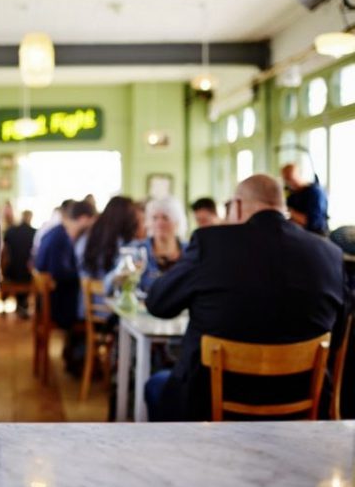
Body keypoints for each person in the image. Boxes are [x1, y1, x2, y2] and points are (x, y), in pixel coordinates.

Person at [144, 174, 345, 421]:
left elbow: (158, 304)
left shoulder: (211, 244)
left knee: (155, 384)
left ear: (237, 206)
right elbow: (337, 336)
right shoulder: (329, 253)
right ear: (282, 206)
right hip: (301, 404)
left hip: (209, 404)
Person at [34, 200, 95, 331]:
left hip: (50, 302)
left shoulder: (55, 232)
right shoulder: (60, 238)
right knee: (91, 306)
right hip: (59, 308)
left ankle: (73, 348)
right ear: (84, 219)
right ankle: (80, 347)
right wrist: (82, 274)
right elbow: (59, 273)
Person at [126, 196, 188, 293]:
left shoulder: (190, 250)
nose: (159, 223)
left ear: (177, 222)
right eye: (154, 218)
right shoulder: (137, 249)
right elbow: (111, 284)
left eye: (165, 218)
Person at [3, 210, 36, 318]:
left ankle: (21, 305)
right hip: (27, 273)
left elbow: (4, 252)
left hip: (11, 271)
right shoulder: (34, 232)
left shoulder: (11, 231)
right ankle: (22, 305)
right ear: (30, 218)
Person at [280, 163, 329, 235]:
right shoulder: (292, 193)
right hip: (299, 234)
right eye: (286, 179)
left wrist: (290, 213)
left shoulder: (315, 192)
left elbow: (313, 222)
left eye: (291, 178)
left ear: (299, 175)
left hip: (316, 236)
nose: (289, 182)